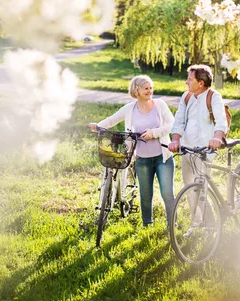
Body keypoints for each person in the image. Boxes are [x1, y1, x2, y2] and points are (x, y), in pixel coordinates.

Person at [89, 75, 175, 228]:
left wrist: (154, 133)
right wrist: (98, 126)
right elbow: (111, 120)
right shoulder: (130, 108)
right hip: (142, 159)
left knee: (167, 194)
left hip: (163, 158)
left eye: (151, 88)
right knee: (145, 195)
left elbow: (171, 124)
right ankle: (147, 225)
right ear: (137, 90)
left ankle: (172, 225)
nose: (150, 91)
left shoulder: (160, 105)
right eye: (146, 88)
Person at [168, 65, 227, 233]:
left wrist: (217, 137)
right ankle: (196, 223)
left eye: (190, 79)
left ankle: (210, 225)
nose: (186, 82)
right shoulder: (186, 97)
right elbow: (179, 121)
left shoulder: (213, 96)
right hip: (187, 148)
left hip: (204, 149)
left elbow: (221, 120)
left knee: (201, 187)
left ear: (200, 83)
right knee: (189, 187)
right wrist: (175, 140)